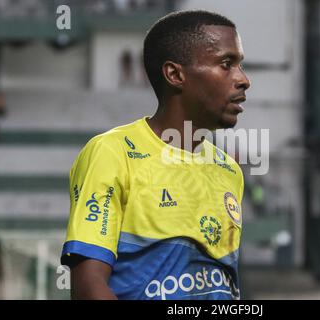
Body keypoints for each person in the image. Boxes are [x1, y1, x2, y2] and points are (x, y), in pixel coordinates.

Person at [61, 10, 251, 300]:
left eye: (240, 65)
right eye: (227, 64)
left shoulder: (229, 170)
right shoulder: (113, 153)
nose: (243, 79)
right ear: (175, 75)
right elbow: (89, 289)